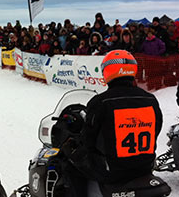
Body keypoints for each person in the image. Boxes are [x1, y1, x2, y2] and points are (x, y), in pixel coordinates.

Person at [62, 50, 163, 195]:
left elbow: (87, 139)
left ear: (107, 71)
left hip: (112, 171)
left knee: (71, 160)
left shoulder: (101, 102)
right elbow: (156, 130)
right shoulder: (150, 100)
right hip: (145, 166)